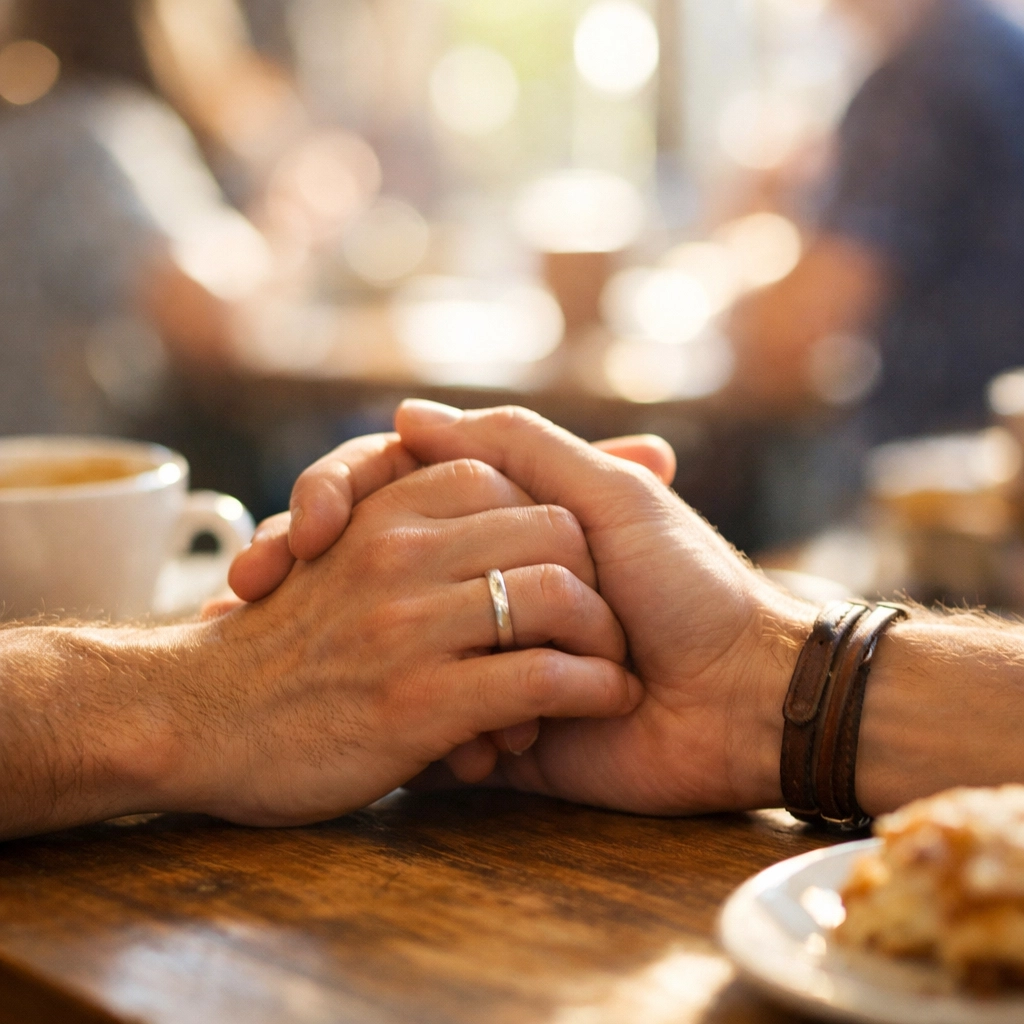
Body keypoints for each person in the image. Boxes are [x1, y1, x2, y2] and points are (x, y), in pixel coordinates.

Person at [729, 0, 1024, 443]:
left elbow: (813, 307)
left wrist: (741, 317)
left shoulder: (922, 74)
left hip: (950, 437)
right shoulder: (994, 40)